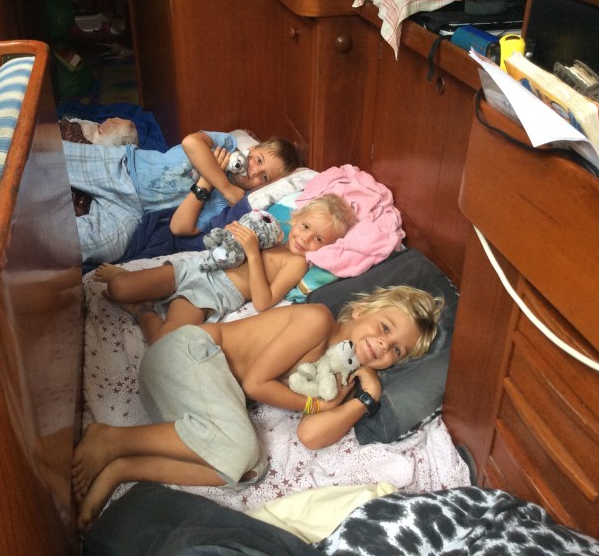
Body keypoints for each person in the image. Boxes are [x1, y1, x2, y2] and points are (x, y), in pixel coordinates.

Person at [72, 285, 444, 531]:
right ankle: (111, 439)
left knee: (248, 470)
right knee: (240, 449)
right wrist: (315, 403)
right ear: (361, 310)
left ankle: (124, 468)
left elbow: (310, 435)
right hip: (186, 357)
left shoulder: (338, 373)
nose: (383, 345)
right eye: (385, 328)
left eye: (396, 350)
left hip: (184, 401)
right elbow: (255, 384)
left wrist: (365, 399)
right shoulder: (317, 320)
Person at [92, 194, 356, 344]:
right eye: (306, 227)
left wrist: (253, 253)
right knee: (117, 287)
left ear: (328, 247)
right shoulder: (274, 234)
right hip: (198, 266)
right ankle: (136, 284)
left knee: (164, 342)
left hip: (212, 294)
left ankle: (142, 310)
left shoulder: (296, 263)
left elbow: (263, 302)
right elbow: (233, 241)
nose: (306, 239)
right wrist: (232, 234)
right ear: (295, 218)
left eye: (319, 239)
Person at [63, 128, 301, 264]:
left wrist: (207, 182)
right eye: (258, 160)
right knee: (52, 158)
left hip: (134, 212)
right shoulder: (227, 145)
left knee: (103, 246)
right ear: (251, 149)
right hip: (126, 168)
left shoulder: (225, 206)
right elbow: (191, 142)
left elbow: (179, 227)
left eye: (265, 177)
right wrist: (224, 184)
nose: (255, 171)